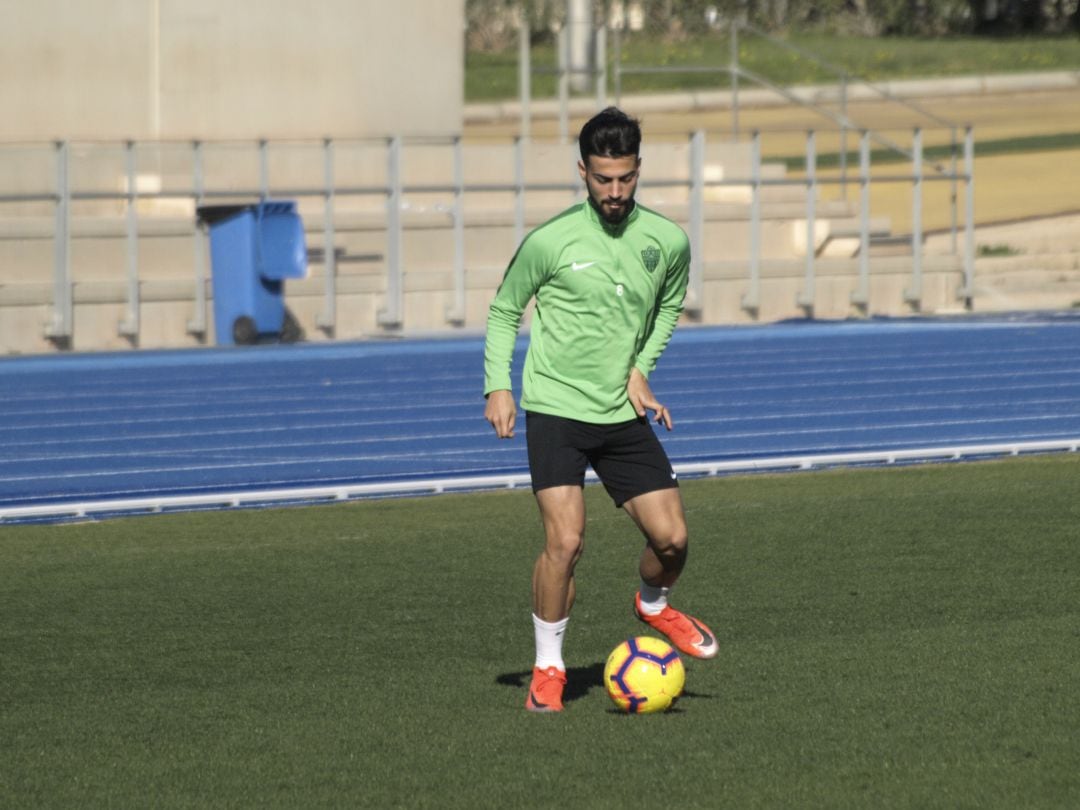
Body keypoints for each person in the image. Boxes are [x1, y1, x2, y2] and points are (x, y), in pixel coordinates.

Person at [482, 107, 717, 713]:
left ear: (639, 171)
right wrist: (497, 386)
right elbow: (506, 310)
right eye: (603, 179)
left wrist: (640, 370)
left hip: (620, 414)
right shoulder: (550, 240)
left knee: (673, 542)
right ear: (582, 171)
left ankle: (654, 606)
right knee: (566, 543)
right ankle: (549, 669)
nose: (615, 193)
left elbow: (668, 307)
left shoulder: (667, 241)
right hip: (556, 409)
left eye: (626, 179)